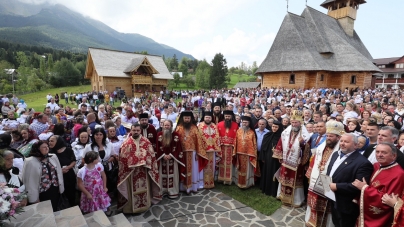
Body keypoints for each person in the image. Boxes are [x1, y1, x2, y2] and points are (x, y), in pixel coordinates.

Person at [326, 133, 373, 227]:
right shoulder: (336, 154)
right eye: (341, 141)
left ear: (356, 145)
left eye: (346, 142)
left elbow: (358, 185)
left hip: (346, 203)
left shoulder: (363, 163)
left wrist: (337, 186)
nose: (342, 143)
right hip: (333, 197)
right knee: (336, 222)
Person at [304, 120, 344, 227]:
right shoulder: (322, 146)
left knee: (327, 205)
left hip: (329, 182)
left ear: (338, 137)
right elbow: (315, 159)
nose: (328, 138)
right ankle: (311, 221)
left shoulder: (341, 150)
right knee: (313, 203)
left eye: (331, 136)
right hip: (316, 179)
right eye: (327, 136)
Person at [117, 123, 161, 214]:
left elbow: (151, 156)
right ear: (131, 131)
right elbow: (122, 158)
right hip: (131, 172)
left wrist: (145, 163)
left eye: (137, 130)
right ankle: (129, 208)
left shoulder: (146, 141)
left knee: (144, 187)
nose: (136, 132)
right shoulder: (126, 143)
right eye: (134, 130)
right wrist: (132, 164)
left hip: (144, 170)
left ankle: (145, 205)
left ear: (140, 131)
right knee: (132, 189)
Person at [273, 110, 311, 207]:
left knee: (295, 180)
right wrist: (280, 156)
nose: (294, 124)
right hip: (285, 161)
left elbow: (307, 148)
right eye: (292, 122)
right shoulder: (286, 132)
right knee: (284, 178)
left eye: (296, 122)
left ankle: (296, 200)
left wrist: (303, 143)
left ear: (300, 122)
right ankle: (282, 196)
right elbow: (280, 143)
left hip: (296, 163)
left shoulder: (305, 134)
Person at [23, 140, 64, 211]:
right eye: (44, 147)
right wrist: (34, 197)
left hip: (54, 188)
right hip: (42, 191)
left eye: (47, 146)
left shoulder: (52, 157)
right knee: (45, 210)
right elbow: (29, 181)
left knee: (55, 208)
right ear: (38, 148)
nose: (47, 148)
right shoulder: (30, 161)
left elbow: (59, 172)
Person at [175, 111, 207, 193]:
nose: (187, 120)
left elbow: (198, 141)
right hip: (182, 153)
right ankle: (182, 187)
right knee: (183, 169)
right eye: (185, 118)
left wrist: (197, 153)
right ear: (182, 118)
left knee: (193, 170)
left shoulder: (194, 128)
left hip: (193, 153)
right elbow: (176, 141)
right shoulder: (179, 128)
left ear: (191, 119)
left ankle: (193, 187)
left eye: (188, 118)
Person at [155, 120, 184, 198]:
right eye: (165, 125)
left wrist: (171, 155)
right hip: (162, 159)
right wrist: (163, 155)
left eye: (168, 125)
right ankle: (163, 190)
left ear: (171, 126)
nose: (166, 127)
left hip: (173, 159)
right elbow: (157, 147)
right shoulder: (159, 134)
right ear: (162, 126)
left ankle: (172, 192)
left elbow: (178, 148)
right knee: (162, 175)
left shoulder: (176, 135)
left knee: (173, 175)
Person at [48, 135, 76, 207]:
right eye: (49, 141)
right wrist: (60, 171)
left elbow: (73, 161)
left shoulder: (68, 150)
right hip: (57, 177)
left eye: (52, 141)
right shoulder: (50, 153)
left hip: (69, 175)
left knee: (71, 194)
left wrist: (68, 167)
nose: (50, 143)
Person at [233, 116, 258, 189]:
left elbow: (254, 144)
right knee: (239, 168)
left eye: (246, 122)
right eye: (243, 122)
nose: (244, 124)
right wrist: (235, 152)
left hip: (248, 155)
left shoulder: (252, 132)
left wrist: (253, 154)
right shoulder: (238, 131)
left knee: (247, 169)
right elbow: (235, 141)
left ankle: (247, 183)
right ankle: (239, 182)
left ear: (249, 123)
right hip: (239, 154)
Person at [260, 120, 283, 196]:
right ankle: (265, 188)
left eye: (276, 127)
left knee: (274, 173)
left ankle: (273, 191)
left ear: (279, 128)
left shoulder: (281, 137)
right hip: (267, 157)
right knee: (266, 172)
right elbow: (263, 147)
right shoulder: (267, 135)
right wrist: (263, 157)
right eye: (273, 126)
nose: (274, 128)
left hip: (276, 160)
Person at [198, 112, 221, 189]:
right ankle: (201, 183)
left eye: (209, 117)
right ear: (204, 118)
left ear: (212, 118)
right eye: (206, 117)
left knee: (211, 167)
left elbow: (217, 138)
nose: (208, 119)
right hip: (202, 151)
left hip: (212, 151)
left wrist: (216, 148)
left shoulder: (214, 126)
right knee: (203, 166)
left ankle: (210, 182)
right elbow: (198, 138)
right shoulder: (199, 125)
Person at [217, 110, 238, 184]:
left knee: (230, 163)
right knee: (221, 162)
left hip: (231, 147)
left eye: (229, 116)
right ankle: (221, 178)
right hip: (221, 147)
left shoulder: (236, 125)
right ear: (224, 117)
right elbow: (217, 136)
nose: (227, 117)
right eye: (226, 116)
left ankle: (229, 179)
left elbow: (237, 137)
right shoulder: (219, 124)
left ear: (231, 117)